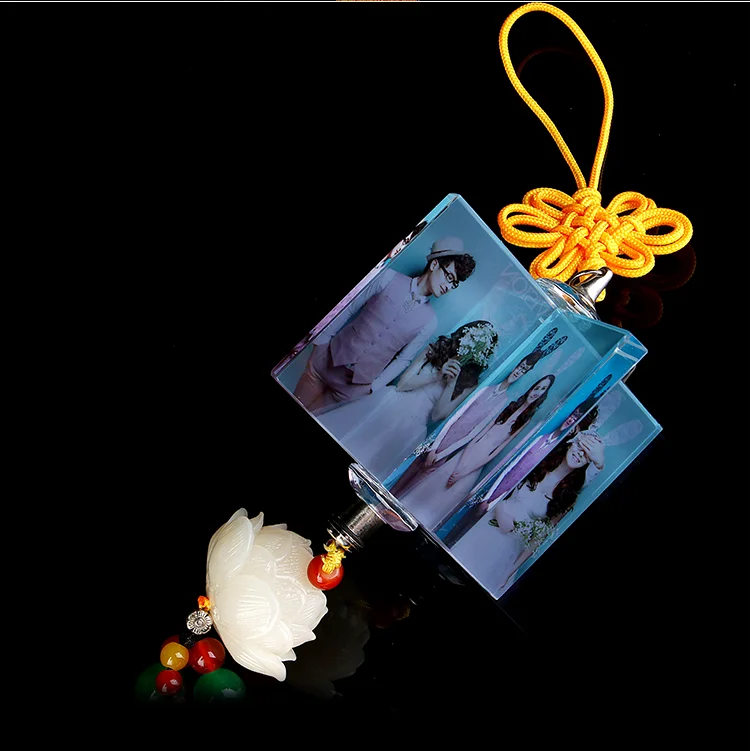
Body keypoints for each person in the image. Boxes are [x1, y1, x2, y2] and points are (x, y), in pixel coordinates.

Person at [293, 237, 476, 414]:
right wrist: (321, 343)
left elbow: (403, 359)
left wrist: (373, 388)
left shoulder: (430, 322)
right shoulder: (388, 277)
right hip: (326, 360)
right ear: (435, 264)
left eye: (454, 284)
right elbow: (349, 308)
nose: (449, 286)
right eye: (449, 276)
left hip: (353, 387)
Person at [316, 320, 499, 478]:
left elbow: (437, 416)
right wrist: (437, 376)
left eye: (478, 345)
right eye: (472, 338)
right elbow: (402, 385)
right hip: (390, 404)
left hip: (410, 427)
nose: (472, 344)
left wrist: (451, 384)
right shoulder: (436, 349)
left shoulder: (470, 382)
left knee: (365, 465)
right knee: (347, 442)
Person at [448, 427, 605, 595]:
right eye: (580, 447)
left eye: (587, 455)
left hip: (506, 552)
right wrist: (500, 509)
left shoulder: (568, 495)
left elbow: (538, 539)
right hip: (486, 529)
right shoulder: (541, 461)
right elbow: (506, 481)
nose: (580, 454)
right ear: (571, 443)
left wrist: (509, 573)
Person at [391, 375, 555, 530]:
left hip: (475, 467)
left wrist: (466, 470)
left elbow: (495, 451)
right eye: (537, 387)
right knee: (426, 488)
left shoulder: (525, 421)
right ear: (532, 388)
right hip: (463, 456)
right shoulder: (509, 405)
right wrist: (463, 459)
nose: (537, 392)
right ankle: (396, 517)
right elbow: (480, 433)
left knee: (441, 500)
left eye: (542, 390)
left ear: (544, 395)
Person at [440, 401, 605, 546]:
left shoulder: (560, 458)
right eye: (574, 414)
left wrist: (493, 502)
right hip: (488, 490)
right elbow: (509, 466)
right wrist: (487, 496)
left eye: (577, 420)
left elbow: (584, 477)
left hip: (501, 508)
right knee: (455, 528)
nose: (571, 420)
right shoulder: (541, 436)